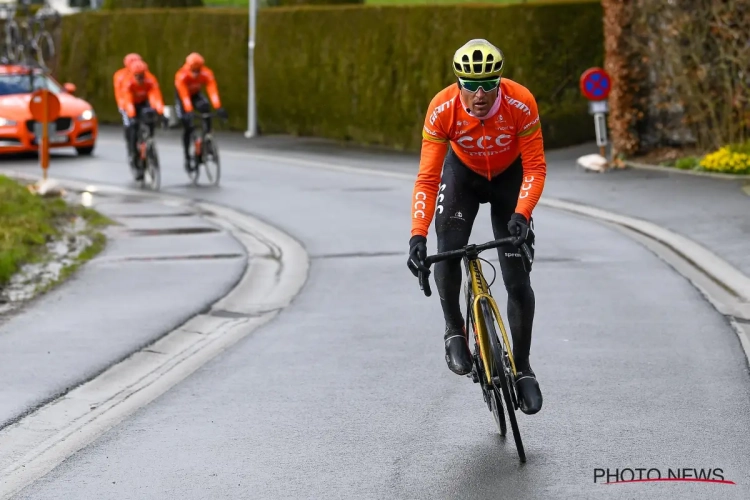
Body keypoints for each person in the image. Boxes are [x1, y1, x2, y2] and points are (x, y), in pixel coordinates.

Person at [407, 39, 546, 415]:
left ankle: (523, 368)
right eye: (471, 85)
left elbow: (534, 168)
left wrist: (522, 213)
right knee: (446, 250)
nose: (480, 94)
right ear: (459, 84)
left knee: (517, 280)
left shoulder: (521, 102)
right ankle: (455, 330)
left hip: (508, 179)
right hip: (463, 178)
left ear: (499, 82)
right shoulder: (442, 109)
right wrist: (417, 236)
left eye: (488, 83)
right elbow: (427, 179)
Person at [174, 52, 227, 172]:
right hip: (183, 98)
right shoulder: (181, 75)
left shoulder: (206, 73)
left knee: (205, 107)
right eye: (194, 69)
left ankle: (207, 138)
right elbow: (184, 94)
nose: (196, 73)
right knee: (187, 125)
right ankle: (187, 157)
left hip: (196, 94)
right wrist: (188, 110)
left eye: (198, 69)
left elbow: (212, 90)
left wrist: (218, 107)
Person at [117, 59, 165, 179]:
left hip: (144, 102)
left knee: (150, 120)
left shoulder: (150, 79)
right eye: (137, 76)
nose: (140, 78)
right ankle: (134, 156)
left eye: (142, 75)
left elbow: (156, 95)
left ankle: (149, 145)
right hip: (133, 104)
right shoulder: (127, 82)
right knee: (133, 128)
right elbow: (127, 100)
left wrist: (160, 111)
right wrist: (131, 115)